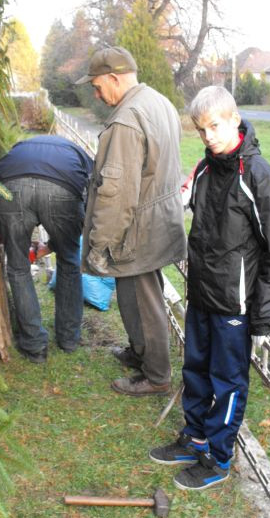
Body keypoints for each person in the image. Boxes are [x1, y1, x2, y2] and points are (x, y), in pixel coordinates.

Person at [149, 86, 270, 491]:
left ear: (234, 120)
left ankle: (218, 455)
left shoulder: (259, 177)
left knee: (227, 380)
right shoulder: (205, 170)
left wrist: (263, 320)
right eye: (201, 129)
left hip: (236, 303)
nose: (209, 136)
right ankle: (194, 439)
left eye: (214, 126)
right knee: (195, 369)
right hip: (202, 294)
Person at [75, 46, 187, 396]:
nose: (96, 93)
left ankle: (155, 375)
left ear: (114, 77)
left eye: (97, 85)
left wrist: (100, 242)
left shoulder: (126, 119)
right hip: (159, 218)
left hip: (136, 228)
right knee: (133, 295)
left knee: (142, 301)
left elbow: (115, 192)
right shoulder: (158, 102)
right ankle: (140, 353)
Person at [0, 135, 93, 362]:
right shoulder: (81, 159)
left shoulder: (11, 158)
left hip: (12, 189)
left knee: (18, 268)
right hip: (63, 189)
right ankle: (68, 339)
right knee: (69, 263)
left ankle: (34, 347)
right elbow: (90, 206)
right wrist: (57, 246)